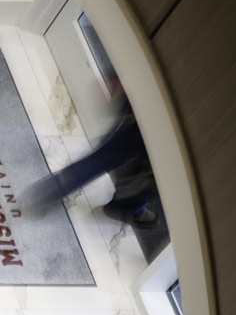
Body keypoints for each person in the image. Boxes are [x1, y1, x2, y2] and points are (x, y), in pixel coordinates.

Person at [30, 79, 161, 230]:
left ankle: (127, 206)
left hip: (156, 113)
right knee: (102, 160)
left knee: (112, 161)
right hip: (159, 121)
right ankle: (39, 196)